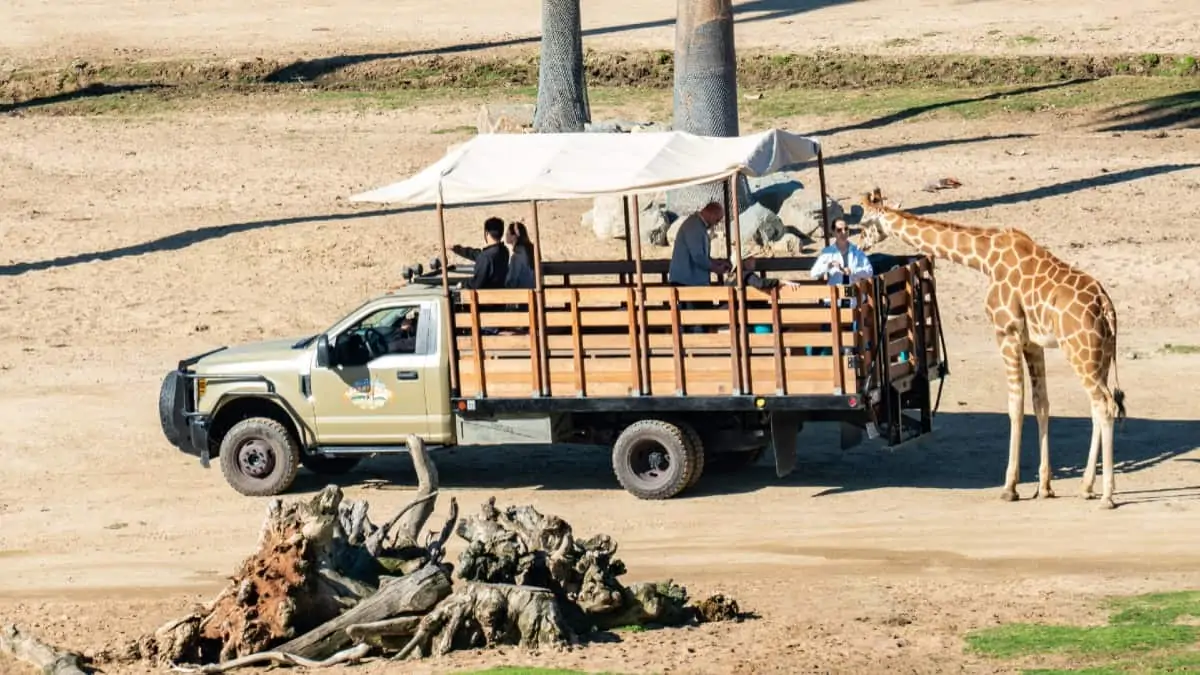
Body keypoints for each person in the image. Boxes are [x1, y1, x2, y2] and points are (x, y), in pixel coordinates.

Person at [668, 201, 733, 287]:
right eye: (717, 220)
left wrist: (717, 262)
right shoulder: (694, 226)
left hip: (692, 281)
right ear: (711, 214)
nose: (716, 224)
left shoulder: (698, 225)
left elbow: (702, 256)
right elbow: (698, 257)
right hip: (687, 283)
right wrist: (715, 268)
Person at [809, 218, 873, 285]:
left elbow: (869, 271)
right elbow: (813, 273)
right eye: (839, 230)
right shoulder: (827, 252)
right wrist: (828, 265)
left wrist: (853, 271)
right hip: (834, 292)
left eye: (846, 229)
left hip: (854, 292)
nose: (844, 232)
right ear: (833, 232)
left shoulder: (857, 251)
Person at [451, 216, 510, 290]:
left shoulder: (485, 256)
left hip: (486, 298)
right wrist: (458, 249)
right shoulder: (504, 251)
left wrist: (463, 284)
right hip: (500, 295)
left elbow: (476, 284)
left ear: (487, 233)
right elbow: (479, 255)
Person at [503, 221, 536, 290]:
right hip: (533, 290)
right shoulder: (531, 251)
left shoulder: (517, 256)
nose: (506, 235)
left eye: (507, 233)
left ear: (514, 236)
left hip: (521, 294)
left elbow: (511, 282)